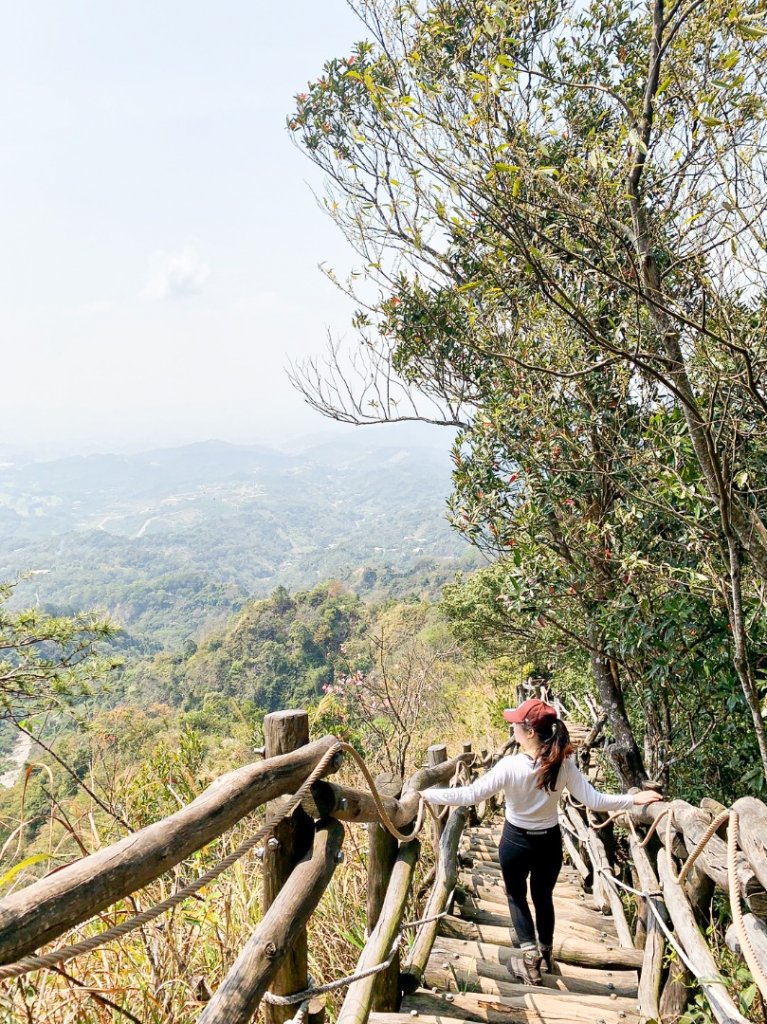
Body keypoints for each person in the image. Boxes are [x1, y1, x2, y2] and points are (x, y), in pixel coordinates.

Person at [421, 698, 662, 985]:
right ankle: (545, 954)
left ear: (530, 732)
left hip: (516, 842)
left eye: (515, 724)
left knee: (516, 896)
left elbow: (470, 795)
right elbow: (595, 801)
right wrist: (633, 799)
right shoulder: (563, 764)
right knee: (543, 897)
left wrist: (427, 795)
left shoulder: (510, 766)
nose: (511, 727)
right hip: (549, 843)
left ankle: (530, 959)